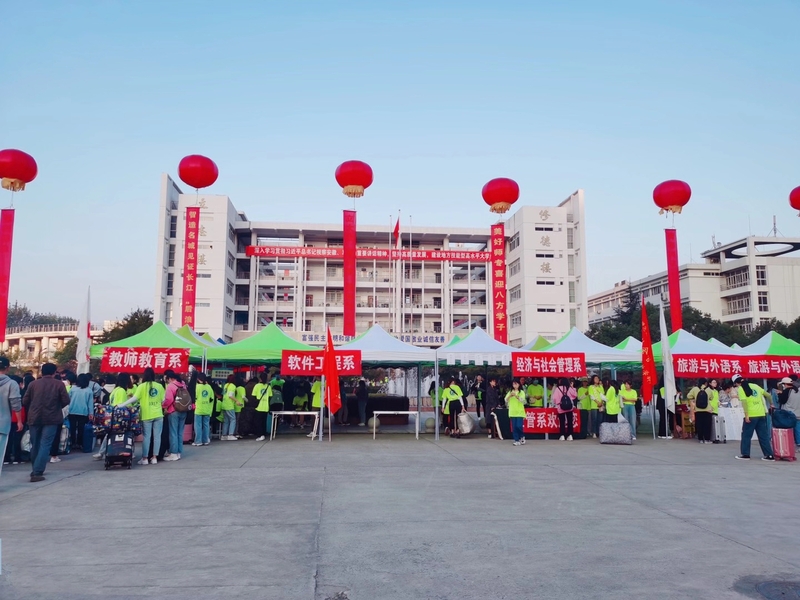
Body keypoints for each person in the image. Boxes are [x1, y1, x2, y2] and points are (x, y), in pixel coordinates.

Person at [22, 363, 70, 483]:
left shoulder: (33, 384)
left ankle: (35, 468)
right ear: (54, 372)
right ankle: (37, 471)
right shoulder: (59, 384)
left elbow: (25, 401)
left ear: (42, 372)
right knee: (45, 444)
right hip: (52, 418)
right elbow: (66, 400)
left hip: (34, 417)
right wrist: (56, 407)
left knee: (35, 444)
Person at [733, 374, 774, 461]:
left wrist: (746, 415)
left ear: (736, 383)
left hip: (751, 415)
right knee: (763, 436)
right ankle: (769, 455)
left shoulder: (741, 389)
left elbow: (744, 403)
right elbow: (768, 395)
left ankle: (745, 454)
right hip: (761, 414)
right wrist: (771, 404)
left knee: (746, 436)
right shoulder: (755, 386)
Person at [133, 367, 165, 464]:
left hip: (146, 415)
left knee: (147, 437)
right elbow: (163, 400)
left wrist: (122, 404)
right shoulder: (159, 386)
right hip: (158, 414)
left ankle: (145, 458)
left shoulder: (141, 386)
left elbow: (134, 398)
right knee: (157, 437)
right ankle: (154, 458)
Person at [0, 357, 24, 477]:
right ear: (8, 368)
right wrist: (19, 421)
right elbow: (16, 404)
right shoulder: (11, 383)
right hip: (3, 423)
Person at [163, 370, 189, 460]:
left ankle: (173, 453)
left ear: (170, 378)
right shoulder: (183, 384)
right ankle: (178, 452)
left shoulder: (171, 386)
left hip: (174, 411)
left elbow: (169, 399)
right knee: (180, 433)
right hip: (184, 410)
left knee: (173, 432)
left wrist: (163, 406)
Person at [67, 373, 94, 452]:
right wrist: (91, 413)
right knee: (81, 428)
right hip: (83, 412)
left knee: (72, 428)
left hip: (72, 411)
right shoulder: (89, 391)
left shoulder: (73, 389)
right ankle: (80, 443)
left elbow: (68, 400)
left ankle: (72, 443)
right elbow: (90, 404)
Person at [777, 376, 800, 448]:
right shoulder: (798, 390)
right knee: (798, 429)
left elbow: (782, 401)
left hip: (788, 414)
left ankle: (790, 444)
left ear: (784, 384)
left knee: (789, 430)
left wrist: (779, 394)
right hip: (798, 413)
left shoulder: (786, 391)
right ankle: (798, 443)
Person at [192, 373, 214, 446]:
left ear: (198, 379)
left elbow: (195, 397)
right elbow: (212, 398)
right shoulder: (209, 387)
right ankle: (205, 440)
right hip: (207, 409)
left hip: (198, 409)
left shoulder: (197, 387)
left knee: (198, 426)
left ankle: (198, 441)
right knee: (206, 425)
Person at [689, 378, 713, 444]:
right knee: (707, 425)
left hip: (698, 410)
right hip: (707, 410)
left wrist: (695, 398)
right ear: (705, 383)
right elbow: (711, 398)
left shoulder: (695, 389)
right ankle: (707, 439)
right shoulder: (708, 389)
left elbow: (689, 396)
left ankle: (700, 439)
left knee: (699, 425)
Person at [505, 378, 526, 446]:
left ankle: (522, 436)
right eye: (513, 384)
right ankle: (516, 440)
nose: (515, 385)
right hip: (512, 411)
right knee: (514, 427)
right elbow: (506, 400)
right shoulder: (510, 392)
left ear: (519, 384)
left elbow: (522, 400)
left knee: (519, 426)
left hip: (519, 412)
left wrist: (516, 396)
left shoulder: (521, 392)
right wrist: (510, 396)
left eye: (516, 384)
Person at [253, 372, 271, 441]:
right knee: (264, 421)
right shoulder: (268, 387)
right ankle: (263, 434)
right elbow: (270, 396)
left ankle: (260, 435)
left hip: (258, 406)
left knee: (258, 422)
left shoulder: (257, 386)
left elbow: (254, 395)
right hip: (266, 406)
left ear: (260, 378)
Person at [221, 374, 239, 441]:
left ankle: (224, 435)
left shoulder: (226, 385)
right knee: (233, 419)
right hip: (229, 405)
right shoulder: (233, 386)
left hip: (224, 404)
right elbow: (230, 396)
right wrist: (237, 401)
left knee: (226, 421)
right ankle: (231, 435)